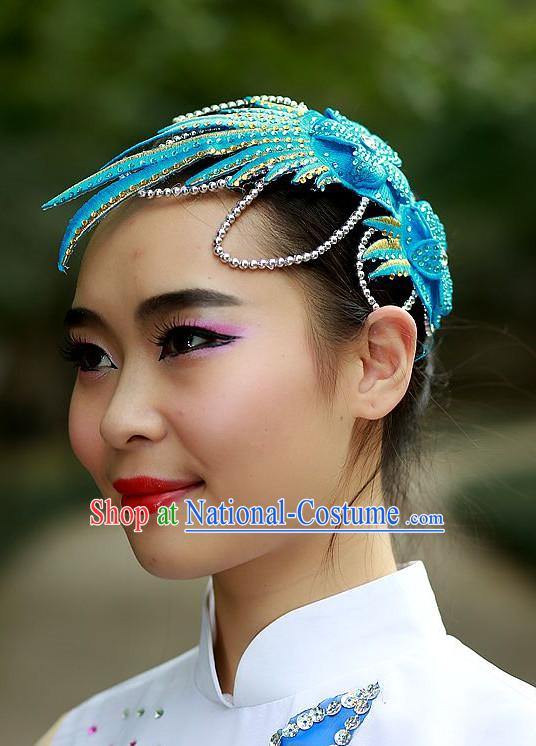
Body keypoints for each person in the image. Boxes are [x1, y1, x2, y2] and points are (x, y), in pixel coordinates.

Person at [36, 95, 535, 745]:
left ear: (376, 363)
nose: (119, 420)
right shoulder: (81, 736)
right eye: (92, 357)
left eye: (186, 340)